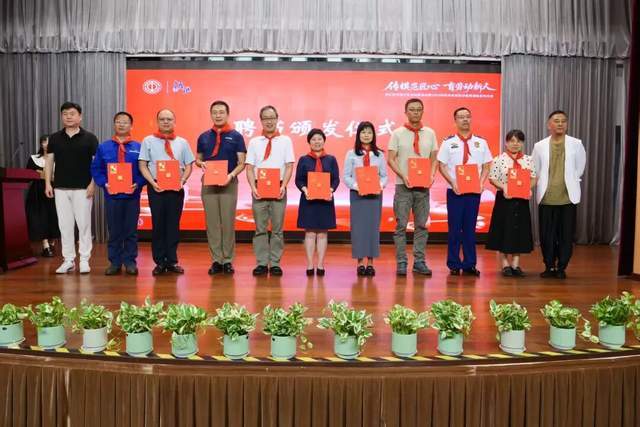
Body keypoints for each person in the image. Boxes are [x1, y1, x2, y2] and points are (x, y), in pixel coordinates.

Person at [138, 109, 195, 276]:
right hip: (156, 187)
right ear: (157, 121)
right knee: (158, 224)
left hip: (176, 189)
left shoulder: (182, 142)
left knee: (173, 225)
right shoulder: (148, 141)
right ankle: (159, 262)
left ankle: (171, 261)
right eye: (162, 119)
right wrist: (152, 182)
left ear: (174, 122)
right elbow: (142, 165)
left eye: (169, 119)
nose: (165, 122)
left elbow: (189, 165)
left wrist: (182, 181)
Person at [437, 107, 493, 276]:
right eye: (461, 117)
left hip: (474, 192)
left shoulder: (481, 142)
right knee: (454, 229)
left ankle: (469, 263)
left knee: (470, 229)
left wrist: (481, 183)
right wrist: (452, 182)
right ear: (455, 121)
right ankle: (454, 263)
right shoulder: (448, 142)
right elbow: (441, 165)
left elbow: (487, 165)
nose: (465, 120)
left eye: (468, 116)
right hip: (455, 191)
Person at [44, 102, 99, 274]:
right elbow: (49, 162)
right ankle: (68, 260)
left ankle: (84, 259)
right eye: (65, 113)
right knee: (64, 225)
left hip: (83, 188)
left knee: (84, 225)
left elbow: (96, 164)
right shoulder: (54, 138)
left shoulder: (90, 138)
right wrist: (48, 183)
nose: (68, 116)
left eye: (72, 113)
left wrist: (93, 184)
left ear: (80, 116)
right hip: (60, 188)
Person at [90, 112, 146, 276]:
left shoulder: (139, 147)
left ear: (131, 126)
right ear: (114, 125)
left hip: (132, 196)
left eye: (125, 122)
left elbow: (145, 170)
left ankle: (130, 262)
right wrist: (104, 183)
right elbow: (96, 169)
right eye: (118, 122)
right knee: (114, 231)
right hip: (112, 196)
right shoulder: (104, 147)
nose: (121, 124)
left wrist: (138, 183)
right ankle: (114, 262)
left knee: (131, 231)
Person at [387, 98, 438, 276]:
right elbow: (391, 159)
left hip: (423, 187)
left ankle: (419, 262)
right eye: (412, 109)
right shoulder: (397, 133)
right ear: (406, 112)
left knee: (421, 225)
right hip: (403, 186)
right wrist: (403, 175)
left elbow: (434, 159)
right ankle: (401, 262)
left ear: (422, 112)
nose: (415, 112)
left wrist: (432, 176)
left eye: (418, 109)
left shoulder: (430, 133)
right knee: (401, 225)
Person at [532, 110, 586, 279]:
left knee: (566, 235)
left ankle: (562, 267)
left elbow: (580, 167)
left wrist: (571, 180)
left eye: (563, 121)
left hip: (568, 197)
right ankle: (549, 266)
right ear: (549, 125)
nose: (560, 124)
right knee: (546, 235)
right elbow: (535, 169)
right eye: (556, 121)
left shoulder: (576, 143)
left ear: (567, 124)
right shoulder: (539, 146)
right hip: (546, 197)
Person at [196, 100, 246, 275]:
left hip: (229, 183)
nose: (218, 115)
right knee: (212, 224)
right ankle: (216, 260)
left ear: (227, 114)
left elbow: (242, 162)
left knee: (228, 222)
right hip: (208, 184)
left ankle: (228, 260)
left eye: (221, 112)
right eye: (215, 112)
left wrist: (230, 175)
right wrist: (201, 163)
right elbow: (198, 159)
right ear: (211, 114)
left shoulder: (236, 136)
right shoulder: (203, 137)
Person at [245, 105, 295, 276]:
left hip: (279, 186)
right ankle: (261, 262)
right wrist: (253, 187)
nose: (269, 121)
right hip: (259, 187)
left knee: (277, 229)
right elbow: (249, 168)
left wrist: (283, 186)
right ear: (261, 120)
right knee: (260, 228)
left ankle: (274, 263)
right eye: (265, 118)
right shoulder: (254, 142)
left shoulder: (286, 141)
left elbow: (289, 166)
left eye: (272, 118)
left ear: (277, 119)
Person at [486, 130, 537, 277]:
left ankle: (515, 264)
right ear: (506, 143)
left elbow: (534, 177)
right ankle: (504, 264)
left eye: (519, 141)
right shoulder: (498, 159)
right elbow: (492, 178)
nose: (515, 144)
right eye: (512, 141)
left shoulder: (528, 160)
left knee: (519, 230)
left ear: (523, 143)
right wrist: (504, 187)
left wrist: (528, 188)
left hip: (521, 200)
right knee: (503, 230)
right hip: (505, 200)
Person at [343, 121, 388, 276]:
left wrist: (379, 186)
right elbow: (346, 176)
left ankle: (371, 263)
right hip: (358, 196)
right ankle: (360, 263)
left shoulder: (379, 155)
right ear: (358, 135)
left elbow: (384, 176)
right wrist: (357, 186)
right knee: (359, 229)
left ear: (373, 135)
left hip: (375, 196)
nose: (366, 135)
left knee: (372, 229)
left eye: (369, 132)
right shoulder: (351, 154)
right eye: (363, 132)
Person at [294, 128, 340, 276]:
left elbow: (336, 179)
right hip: (308, 200)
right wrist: (305, 189)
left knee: (322, 234)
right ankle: (309, 264)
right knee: (309, 233)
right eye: (313, 139)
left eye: (319, 139)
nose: (317, 142)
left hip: (326, 200)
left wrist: (331, 190)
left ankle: (320, 265)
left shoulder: (331, 159)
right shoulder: (303, 159)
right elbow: (298, 179)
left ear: (324, 141)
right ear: (309, 142)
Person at [25, 134, 60, 257]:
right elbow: (29, 174)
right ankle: (45, 245)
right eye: (44, 142)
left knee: (54, 217)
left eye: (49, 142)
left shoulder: (58, 159)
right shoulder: (34, 158)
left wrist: (42, 173)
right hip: (37, 192)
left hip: (55, 191)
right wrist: (45, 174)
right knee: (40, 217)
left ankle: (51, 242)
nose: (47, 144)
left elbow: (58, 176)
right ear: (41, 144)